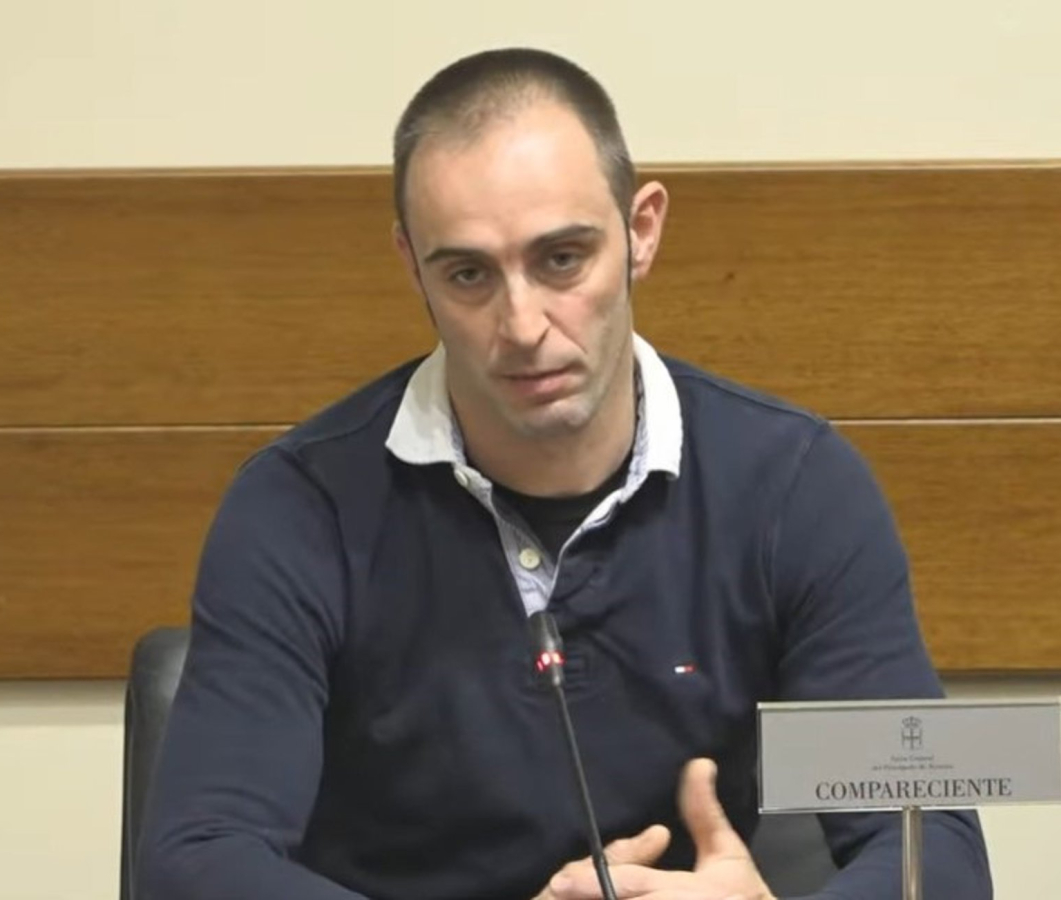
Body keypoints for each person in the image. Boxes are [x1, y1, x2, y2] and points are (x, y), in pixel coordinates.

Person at [138, 48, 992, 900]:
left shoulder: (794, 488)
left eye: (561, 260)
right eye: (468, 274)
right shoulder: (302, 506)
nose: (522, 326)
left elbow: (935, 852)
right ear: (411, 266)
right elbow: (198, 860)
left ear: (641, 231)